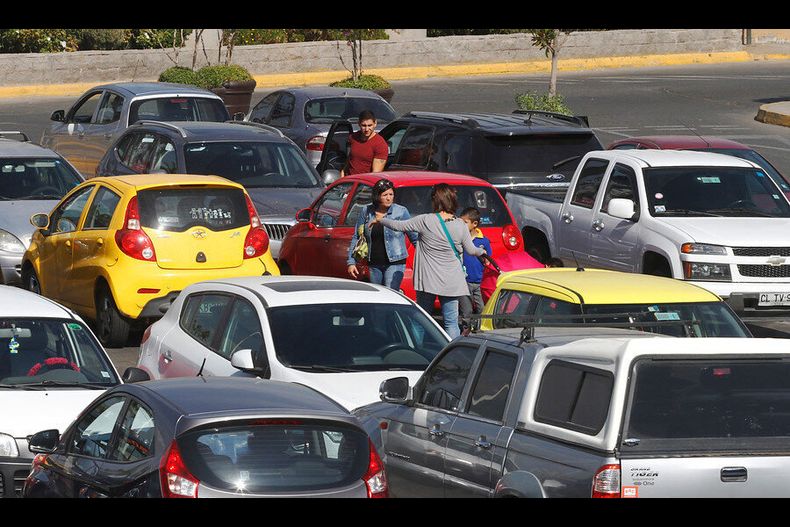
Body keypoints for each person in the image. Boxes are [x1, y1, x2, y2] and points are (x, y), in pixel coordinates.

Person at [373, 183, 486, 339]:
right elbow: (472, 250)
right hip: (452, 281)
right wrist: (482, 251)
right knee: (451, 323)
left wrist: (382, 219)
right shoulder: (460, 224)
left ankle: (418, 354)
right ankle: (449, 357)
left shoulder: (425, 220)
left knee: (422, 320)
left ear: (435, 200)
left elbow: (399, 226)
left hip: (427, 280)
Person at [347, 178, 418, 291]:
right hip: (374, 263)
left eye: (391, 194)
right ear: (377, 196)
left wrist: (424, 260)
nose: (389, 198)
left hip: (395, 262)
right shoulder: (366, 211)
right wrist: (351, 262)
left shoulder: (401, 211)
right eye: (385, 195)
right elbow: (357, 237)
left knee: (391, 293)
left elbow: (415, 238)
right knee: (378, 295)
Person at [458, 207, 493, 332]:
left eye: (465, 222)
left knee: (482, 309)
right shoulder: (460, 238)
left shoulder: (483, 241)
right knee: (466, 310)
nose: (462, 225)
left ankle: (480, 329)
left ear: (474, 224)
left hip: (479, 281)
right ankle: (466, 330)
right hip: (464, 280)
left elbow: (488, 259)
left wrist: (486, 260)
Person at [340, 110, 388, 177]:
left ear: (375, 123)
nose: (367, 129)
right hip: (348, 181)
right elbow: (350, 158)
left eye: (369, 125)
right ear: (359, 124)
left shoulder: (380, 144)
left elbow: (375, 175)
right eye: (364, 125)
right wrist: (343, 173)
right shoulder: (353, 137)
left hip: (364, 184)